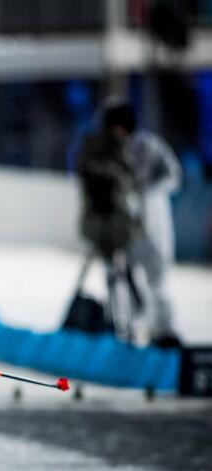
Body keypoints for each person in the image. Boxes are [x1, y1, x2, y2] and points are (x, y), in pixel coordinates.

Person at [75, 98, 181, 346]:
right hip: (121, 227)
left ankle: (163, 331)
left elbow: (172, 175)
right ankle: (130, 330)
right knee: (123, 281)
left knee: (157, 280)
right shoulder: (106, 149)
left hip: (152, 227)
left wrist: (146, 191)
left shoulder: (148, 146)